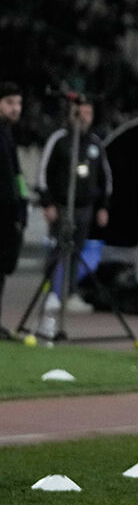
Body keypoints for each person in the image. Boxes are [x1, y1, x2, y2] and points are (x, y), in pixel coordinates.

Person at [36, 97, 112, 332]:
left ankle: (70, 293)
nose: (84, 117)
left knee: (76, 251)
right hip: (60, 205)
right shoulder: (59, 139)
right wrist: (46, 202)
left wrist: (103, 206)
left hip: (85, 208)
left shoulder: (95, 143)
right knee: (58, 249)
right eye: (81, 112)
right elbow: (43, 172)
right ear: (72, 113)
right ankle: (49, 292)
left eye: (89, 113)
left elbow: (105, 178)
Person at [0, 83, 27, 337]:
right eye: (9, 103)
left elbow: (16, 177)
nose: (15, 109)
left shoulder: (8, 135)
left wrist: (22, 206)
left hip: (8, 215)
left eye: (18, 103)